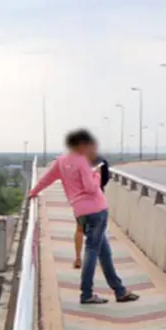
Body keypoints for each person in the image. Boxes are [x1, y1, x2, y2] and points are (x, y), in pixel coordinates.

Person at [29, 129, 139, 305]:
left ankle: (120, 291)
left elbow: (47, 179)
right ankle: (86, 294)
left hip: (80, 212)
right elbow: (91, 188)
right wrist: (96, 173)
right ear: (81, 145)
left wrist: (33, 192)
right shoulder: (82, 161)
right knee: (92, 250)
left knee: (104, 253)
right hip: (96, 210)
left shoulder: (61, 161)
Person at [72, 154, 111, 268]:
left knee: (79, 229)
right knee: (98, 232)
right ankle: (96, 259)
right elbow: (105, 179)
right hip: (97, 202)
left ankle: (78, 258)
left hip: (81, 201)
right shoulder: (101, 161)